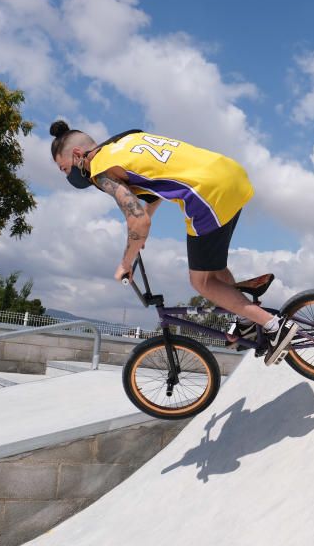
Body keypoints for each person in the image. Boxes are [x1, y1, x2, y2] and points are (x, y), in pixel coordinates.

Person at [49, 120, 298, 365]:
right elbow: (153, 192)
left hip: (206, 194)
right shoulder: (124, 141)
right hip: (231, 176)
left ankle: (274, 325)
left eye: (65, 168)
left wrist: (126, 262)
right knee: (213, 266)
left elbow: (138, 221)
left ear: (78, 155)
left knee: (201, 281)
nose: (68, 175)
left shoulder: (99, 171)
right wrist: (143, 225)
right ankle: (246, 322)